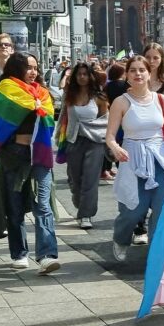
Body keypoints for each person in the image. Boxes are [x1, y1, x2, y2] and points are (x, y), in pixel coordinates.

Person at [0, 52, 59, 274]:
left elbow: (49, 120)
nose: (34, 72)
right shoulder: (5, 90)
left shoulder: (43, 93)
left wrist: (39, 107)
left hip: (39, 153)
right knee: (14, 206)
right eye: (29, 67)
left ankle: (47, 255)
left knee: (43, 204)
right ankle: (19, 253)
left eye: (36, 67)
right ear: (16, 68)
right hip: (14, 154)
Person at [105, 55, 164, 261]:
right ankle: (121, 239)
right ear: (127, 75)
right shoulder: (121, 102)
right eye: (133, 70)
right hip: (133, 159)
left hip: (160, 159)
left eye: (142, 70)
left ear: (149, 74)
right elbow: (110, 135)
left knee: (162, 208)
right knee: (132, 210)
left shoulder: (161, 99)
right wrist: (115, 148)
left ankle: (157, 251)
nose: (138, 74)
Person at [58, 63, 109, 230]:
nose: (82, 77)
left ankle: (86, 214)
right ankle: (80, 203)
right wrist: (58, 137)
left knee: (90, 179)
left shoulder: (99, 97)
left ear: (90, 77)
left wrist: (107, 139)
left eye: (85, 74)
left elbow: (105, 121)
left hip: (95, 142)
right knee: (74, 178)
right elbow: (63, 117)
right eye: (79, 74)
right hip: (74, 140)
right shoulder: (69, 95)